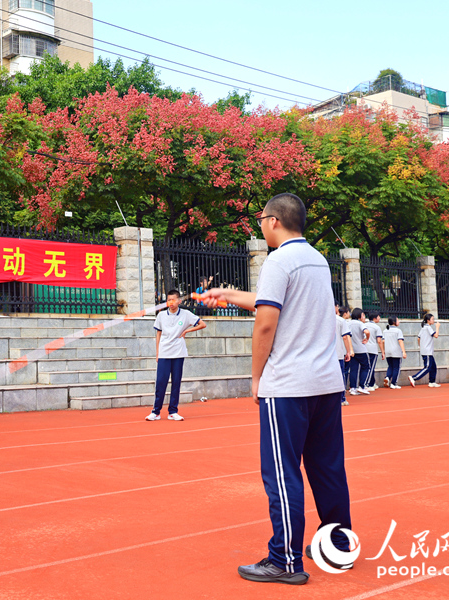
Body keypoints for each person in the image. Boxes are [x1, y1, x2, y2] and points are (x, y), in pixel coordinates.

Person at [203, 193, 352, 585]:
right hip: (325, 383)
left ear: (273, 221)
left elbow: (267, 323)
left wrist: (256, 378)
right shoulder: (316, 259)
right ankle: (338, 544)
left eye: (260, 220)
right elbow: (274, 303)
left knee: (282, 473)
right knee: (327, 467)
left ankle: (284, 559)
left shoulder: (278, 259)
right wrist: (230, 295)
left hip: (287, 385)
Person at [147, 289, 206, 421]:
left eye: (173, 300)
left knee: (176, 382)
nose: (171, 302)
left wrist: (187, 331)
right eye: (168, 300)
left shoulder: (185, 314)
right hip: (164, 353)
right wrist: (157, 353)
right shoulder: (161, 315)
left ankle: (173, 411)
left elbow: (203, 324)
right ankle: (156, 412)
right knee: (161, 382)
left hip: (178, 353)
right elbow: (158, 334)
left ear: (179, 301)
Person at [410, 313, 440, 388]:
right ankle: (414, 377)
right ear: (428, 320)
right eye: (432, 319)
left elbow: (418, 338)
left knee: (433, 367)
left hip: (425, 350)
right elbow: (436, 335)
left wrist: (420, 346)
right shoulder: (428, 328)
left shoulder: (423, 328)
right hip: (427, 351)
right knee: (427, 367)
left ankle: (432, 382)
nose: (433, 320)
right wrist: (437, 327)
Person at [347, 308, 371, 396]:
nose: (364, 317)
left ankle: (353, 387)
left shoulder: (348, 323)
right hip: (361, 349)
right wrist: (367, 338)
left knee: (354, 369)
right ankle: (362, 385)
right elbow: (367, 331)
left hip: (351, 349)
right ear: (359, 316)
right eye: (363, 315)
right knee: (366, 367)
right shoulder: (360, 323)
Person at [335, 304, 353, 406]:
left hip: (323, 354)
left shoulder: (318, 318)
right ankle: (341, 398)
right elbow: (345, 337)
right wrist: (348, 352)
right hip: (337, 353)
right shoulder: (340, 320)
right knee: (340, 376)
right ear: (336, 307)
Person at [382, 317, 406, 389]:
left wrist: (383, 351)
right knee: (396, 367)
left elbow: (383, 341)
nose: (399, 322)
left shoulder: (385, 331)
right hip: (396, 351)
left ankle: (387, 377)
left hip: (388, 351)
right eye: (398, 320)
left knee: (390, 366)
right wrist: (403, 351)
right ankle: (394, 383)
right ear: (394, 322)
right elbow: (400, 341)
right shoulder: (398, 331)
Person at [364, 311, 385, 391]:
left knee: (366, 367)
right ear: (375, 318)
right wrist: (382, 352)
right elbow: (379, 341)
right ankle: (367, 384)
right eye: (379, 317)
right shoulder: (376, 327)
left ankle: (372, 383)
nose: (379, 318)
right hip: (372, 349)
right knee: (371, 367)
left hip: (364, 349)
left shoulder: (364, 325)